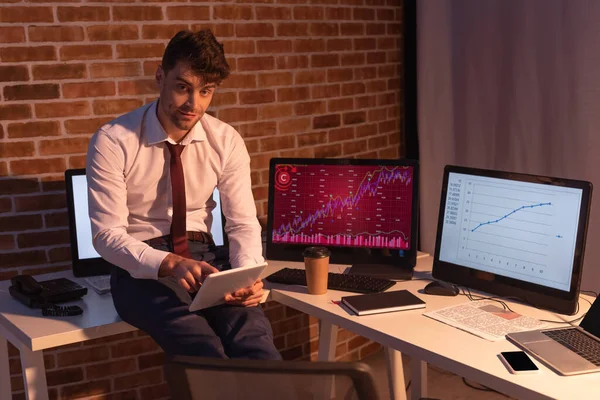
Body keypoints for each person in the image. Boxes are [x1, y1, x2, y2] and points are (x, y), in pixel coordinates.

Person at [86, 30, 281, 360]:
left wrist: (247, 275)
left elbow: (243, 224)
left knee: (254, 338)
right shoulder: (113, 140)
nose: (195, 104)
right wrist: (170, 263)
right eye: (182, 87)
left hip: (205, 256)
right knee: (203, 349)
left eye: (206, 91)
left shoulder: (226, 140)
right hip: (142, 268)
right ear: (160, 76)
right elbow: (106, 235)